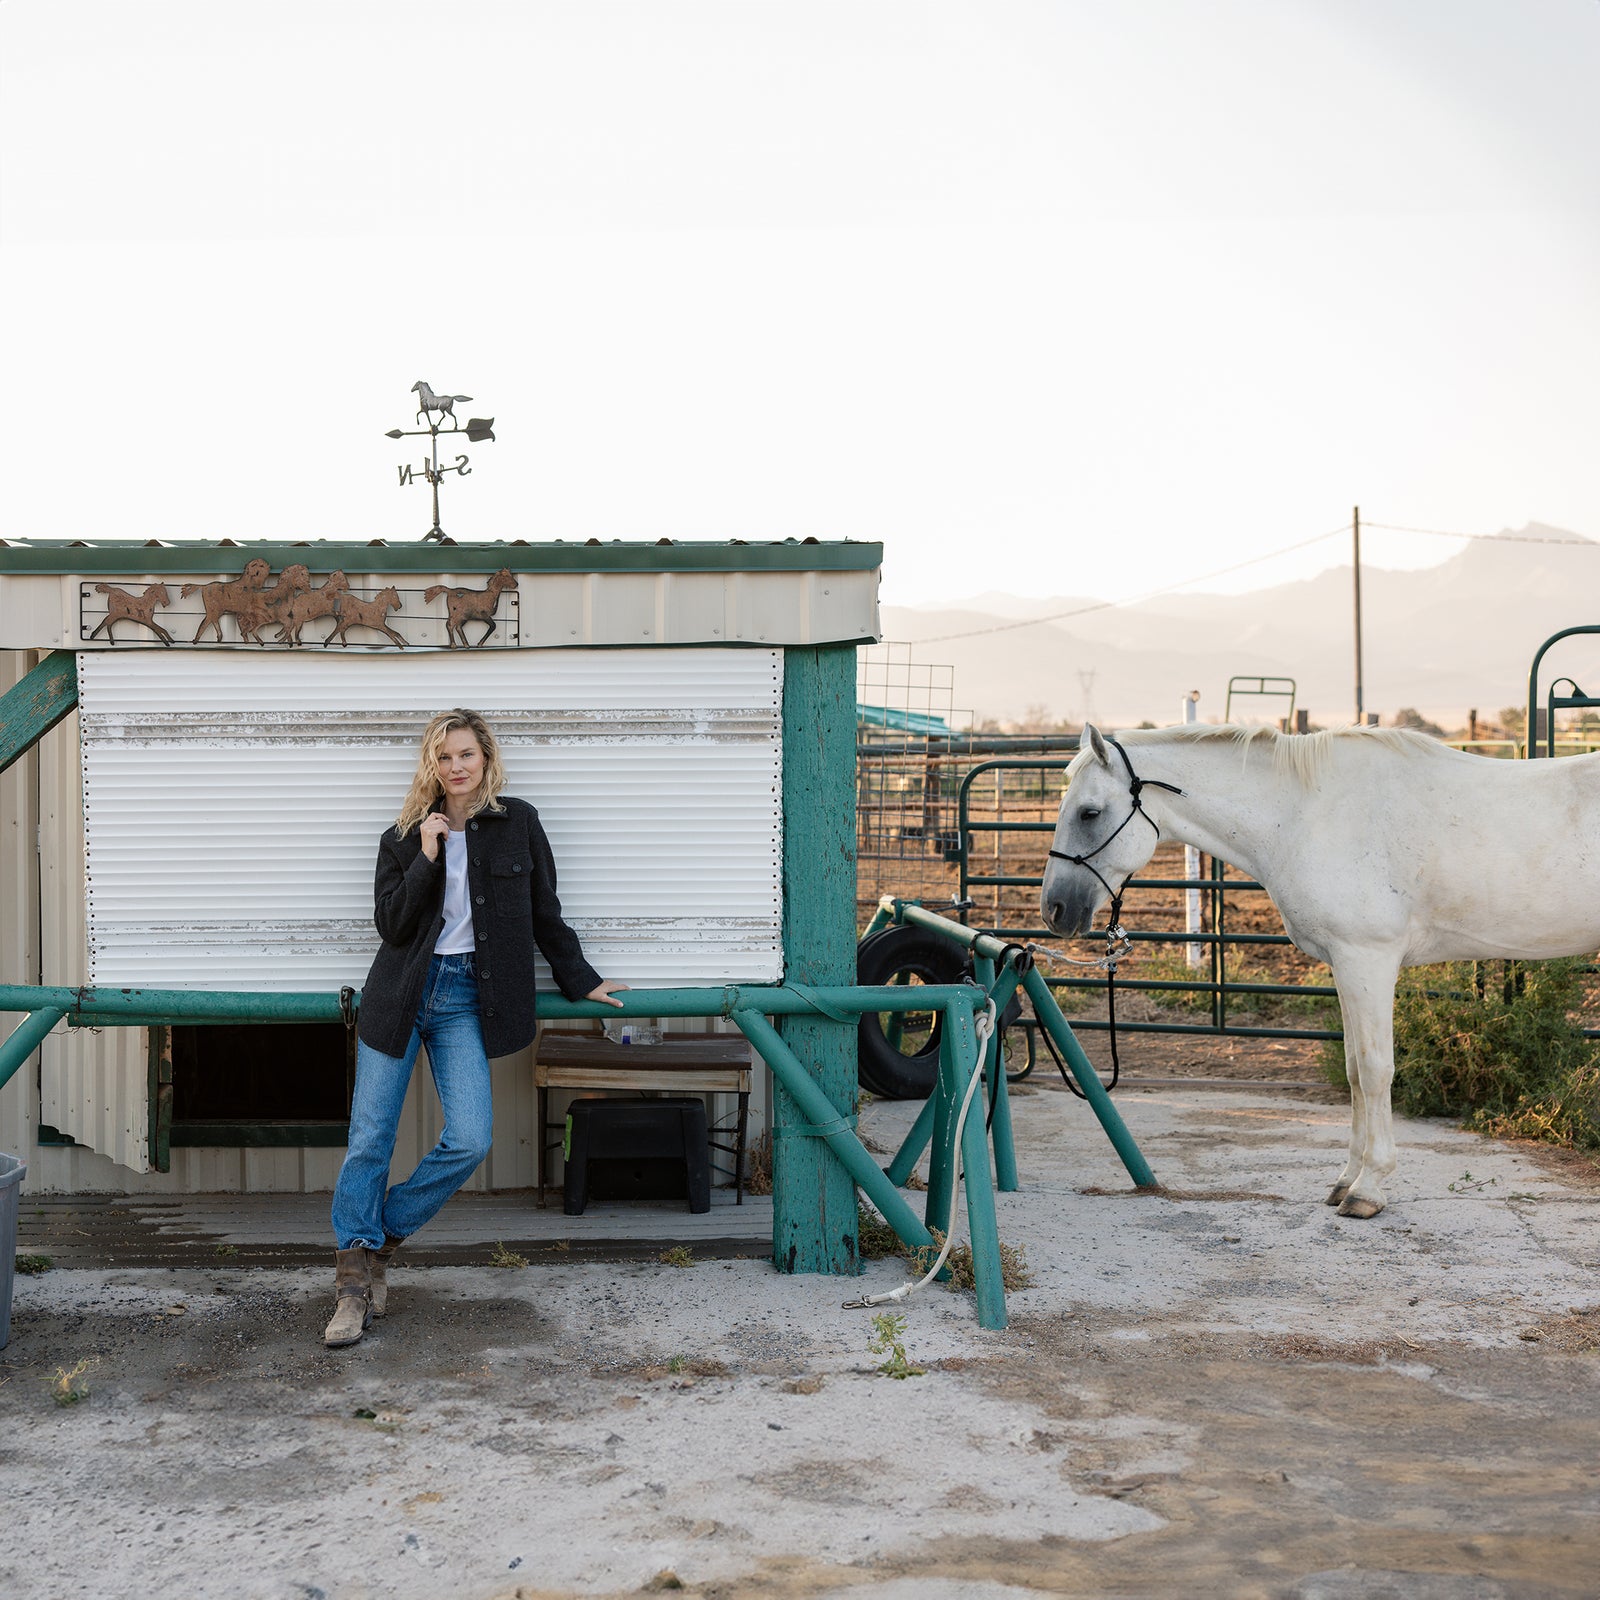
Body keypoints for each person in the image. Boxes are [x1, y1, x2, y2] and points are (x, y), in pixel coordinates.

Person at [325, 707, 625, 1347]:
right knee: (370, 1138)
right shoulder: (404, 835)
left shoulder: (517, 823)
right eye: (443, 757)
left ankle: (377, 1237)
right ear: (430, 766)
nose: (456, 767)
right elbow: (392, 926)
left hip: (466, 997)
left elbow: (546, 912)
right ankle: (353, 1284)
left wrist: (581, 979)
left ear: (485, 758)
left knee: (470, 1137)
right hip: (401, 994)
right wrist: (428, 855)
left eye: (466, 754)